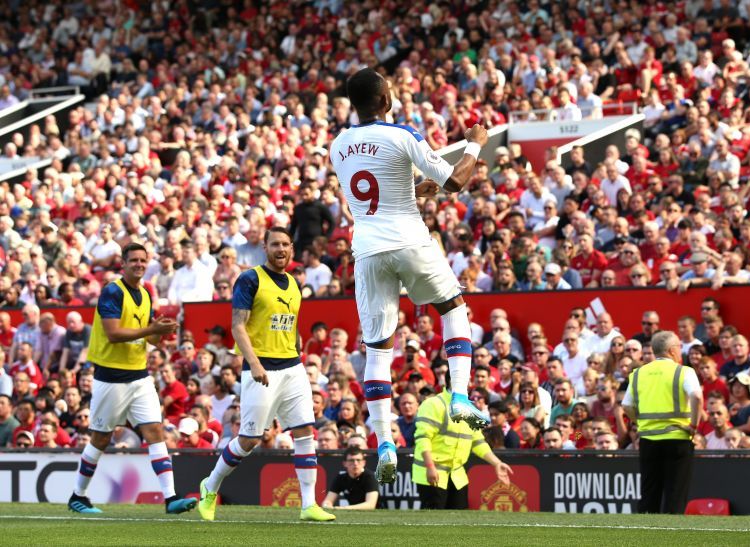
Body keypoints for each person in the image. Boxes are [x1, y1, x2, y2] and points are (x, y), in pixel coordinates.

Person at [330, 68, 490, 483]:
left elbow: (373, 191)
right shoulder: (404, 133)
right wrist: (474, 143)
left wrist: (415, 190)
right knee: (453, 307)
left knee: (379, 349)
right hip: (407, 238)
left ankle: (384, 441)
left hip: (367, 249)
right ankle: (458, 395)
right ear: (385, 98)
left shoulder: (338, 145)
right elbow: (455, 180)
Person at [197, 227, 334, 523]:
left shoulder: (295, 284)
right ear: (265, 247)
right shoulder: (250, 279)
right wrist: (255, 363)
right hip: (262, 369)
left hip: (292, 367)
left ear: (292, 249)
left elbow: (288, 320)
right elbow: (238, 325)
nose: (281, 249)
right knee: (249, 439)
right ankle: (210, 486)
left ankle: (309, 504)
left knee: (304, 432)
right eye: (275, 244)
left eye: (285, 244)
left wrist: (295, 340)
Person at [67, 243, 196, 515]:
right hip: (111, 377)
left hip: (139, 376)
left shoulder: (147, 293)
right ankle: (78, 496)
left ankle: (170, 498)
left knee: (155, 432)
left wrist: (161, 332)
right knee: (101, 439)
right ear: (123, 264)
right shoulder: (112, 291)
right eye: (133, 260)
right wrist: (152, 328)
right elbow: (113, 333)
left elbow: (149, 336)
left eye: (142, 260)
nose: (138, 264)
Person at [622, 331, 702, 514]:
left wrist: (640, 422)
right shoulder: (684, 372)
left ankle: (645, 534)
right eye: (680, 348)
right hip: (678, 437)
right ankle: (672, 535)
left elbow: (626, 405)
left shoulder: (638, 373)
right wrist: (694, 426)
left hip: (649, 440)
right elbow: (697, 395)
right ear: (672, 350)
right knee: (675, 492)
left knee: (649, 491)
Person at [411, 372, 513, 509]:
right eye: (466, 380)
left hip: (457, 476)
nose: (469, 384)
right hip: (432, 473)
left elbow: (478, 441)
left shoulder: (470, 410)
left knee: (458, 522)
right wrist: (430, 467)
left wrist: (497, 463)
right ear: (453, 381)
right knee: (433, 525)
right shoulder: (433, 404)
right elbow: (423, 438)